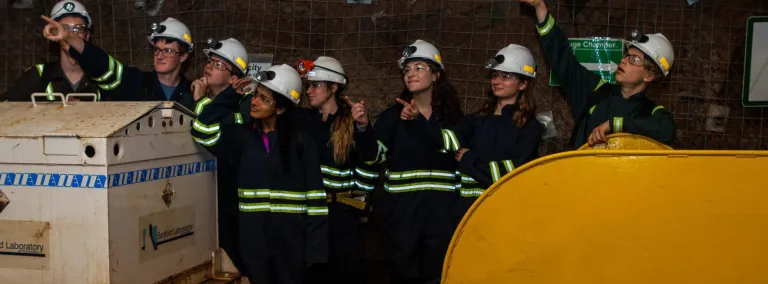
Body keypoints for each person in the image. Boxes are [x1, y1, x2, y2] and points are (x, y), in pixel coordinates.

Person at [192, 63, 328, 283]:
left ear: (281, 108)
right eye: (256, 95)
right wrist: (230, 96)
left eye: (264, 99)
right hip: (253, 244)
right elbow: (201, 129)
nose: (254, 102)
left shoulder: (302, 142)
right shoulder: (241, 138)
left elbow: (316, 199)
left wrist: (316, 250)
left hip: (291, 244)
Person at [359, 39, 465, 284]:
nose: (410, 74)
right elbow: (374, 157)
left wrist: (419, 121)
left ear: (436, 75)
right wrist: (363, 128)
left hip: (441, 214)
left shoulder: (452, 117)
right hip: (402, 214)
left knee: (437, 274)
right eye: (407, 69)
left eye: (419, 68)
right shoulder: (392, 117)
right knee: (402, 272)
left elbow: (452, 145)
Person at [521, 0, 676, 148]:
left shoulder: (651, 112)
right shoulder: (596, 92)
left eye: (635, 60)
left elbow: (667, 131)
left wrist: (614, 125)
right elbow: (563, 59)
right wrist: (540, 7)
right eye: (626, 55)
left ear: (649, 76)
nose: (624, 61)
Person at [294, 56, 378, 284]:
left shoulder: (349, 122)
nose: (309, 91)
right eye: (308, 85)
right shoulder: (303, 120)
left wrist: (362, 125)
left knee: (341, 273)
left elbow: (370, 158)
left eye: (315, 85)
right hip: (309, 213)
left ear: (333, 88)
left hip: (341, 215)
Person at [453, 44, 544, 214]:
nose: (496, 81)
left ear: (523, 84)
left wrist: (469, 160)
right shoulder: (476, 119)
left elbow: (512, 173)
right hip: (466, 210)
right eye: (495, 75)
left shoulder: (530, 128)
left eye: (506, 76)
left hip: (505, 210)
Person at [189, 37, 253, 274]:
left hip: (235, 203)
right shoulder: (193, 96)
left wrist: (200, 101)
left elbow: (209, 130)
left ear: (234, 79)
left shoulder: (247, 106)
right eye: (210, 61)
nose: (209, 66)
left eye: (218, 64)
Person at [39, 15, 197, 110]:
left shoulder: (193, 92)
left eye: (168, 51)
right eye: (157, 49)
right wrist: (68, 36)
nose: (160, 56)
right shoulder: (135, 82)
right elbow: (100, 63)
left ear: (183, 57)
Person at [2, 0, 104, 102]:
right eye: (64, 29)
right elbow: (6, 110)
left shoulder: (104, 77)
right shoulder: (38, 76)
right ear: (54, 34)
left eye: (78, 29)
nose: (72, 35)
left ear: (87, 35)